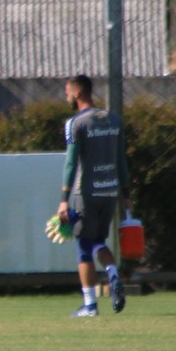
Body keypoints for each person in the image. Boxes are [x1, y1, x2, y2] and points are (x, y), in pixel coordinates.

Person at [57, 74, 133, 317]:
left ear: (78, 93)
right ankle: (112, 273)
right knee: (99, 241)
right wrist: (126, 193)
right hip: (109, 190)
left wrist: (63, 200)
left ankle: (90, 305)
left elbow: (70, 163)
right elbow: (121, 159)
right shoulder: (113, 119)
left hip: (86, 192)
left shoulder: (75, 123)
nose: (66, 96)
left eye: (67, 92)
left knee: (83, 245)